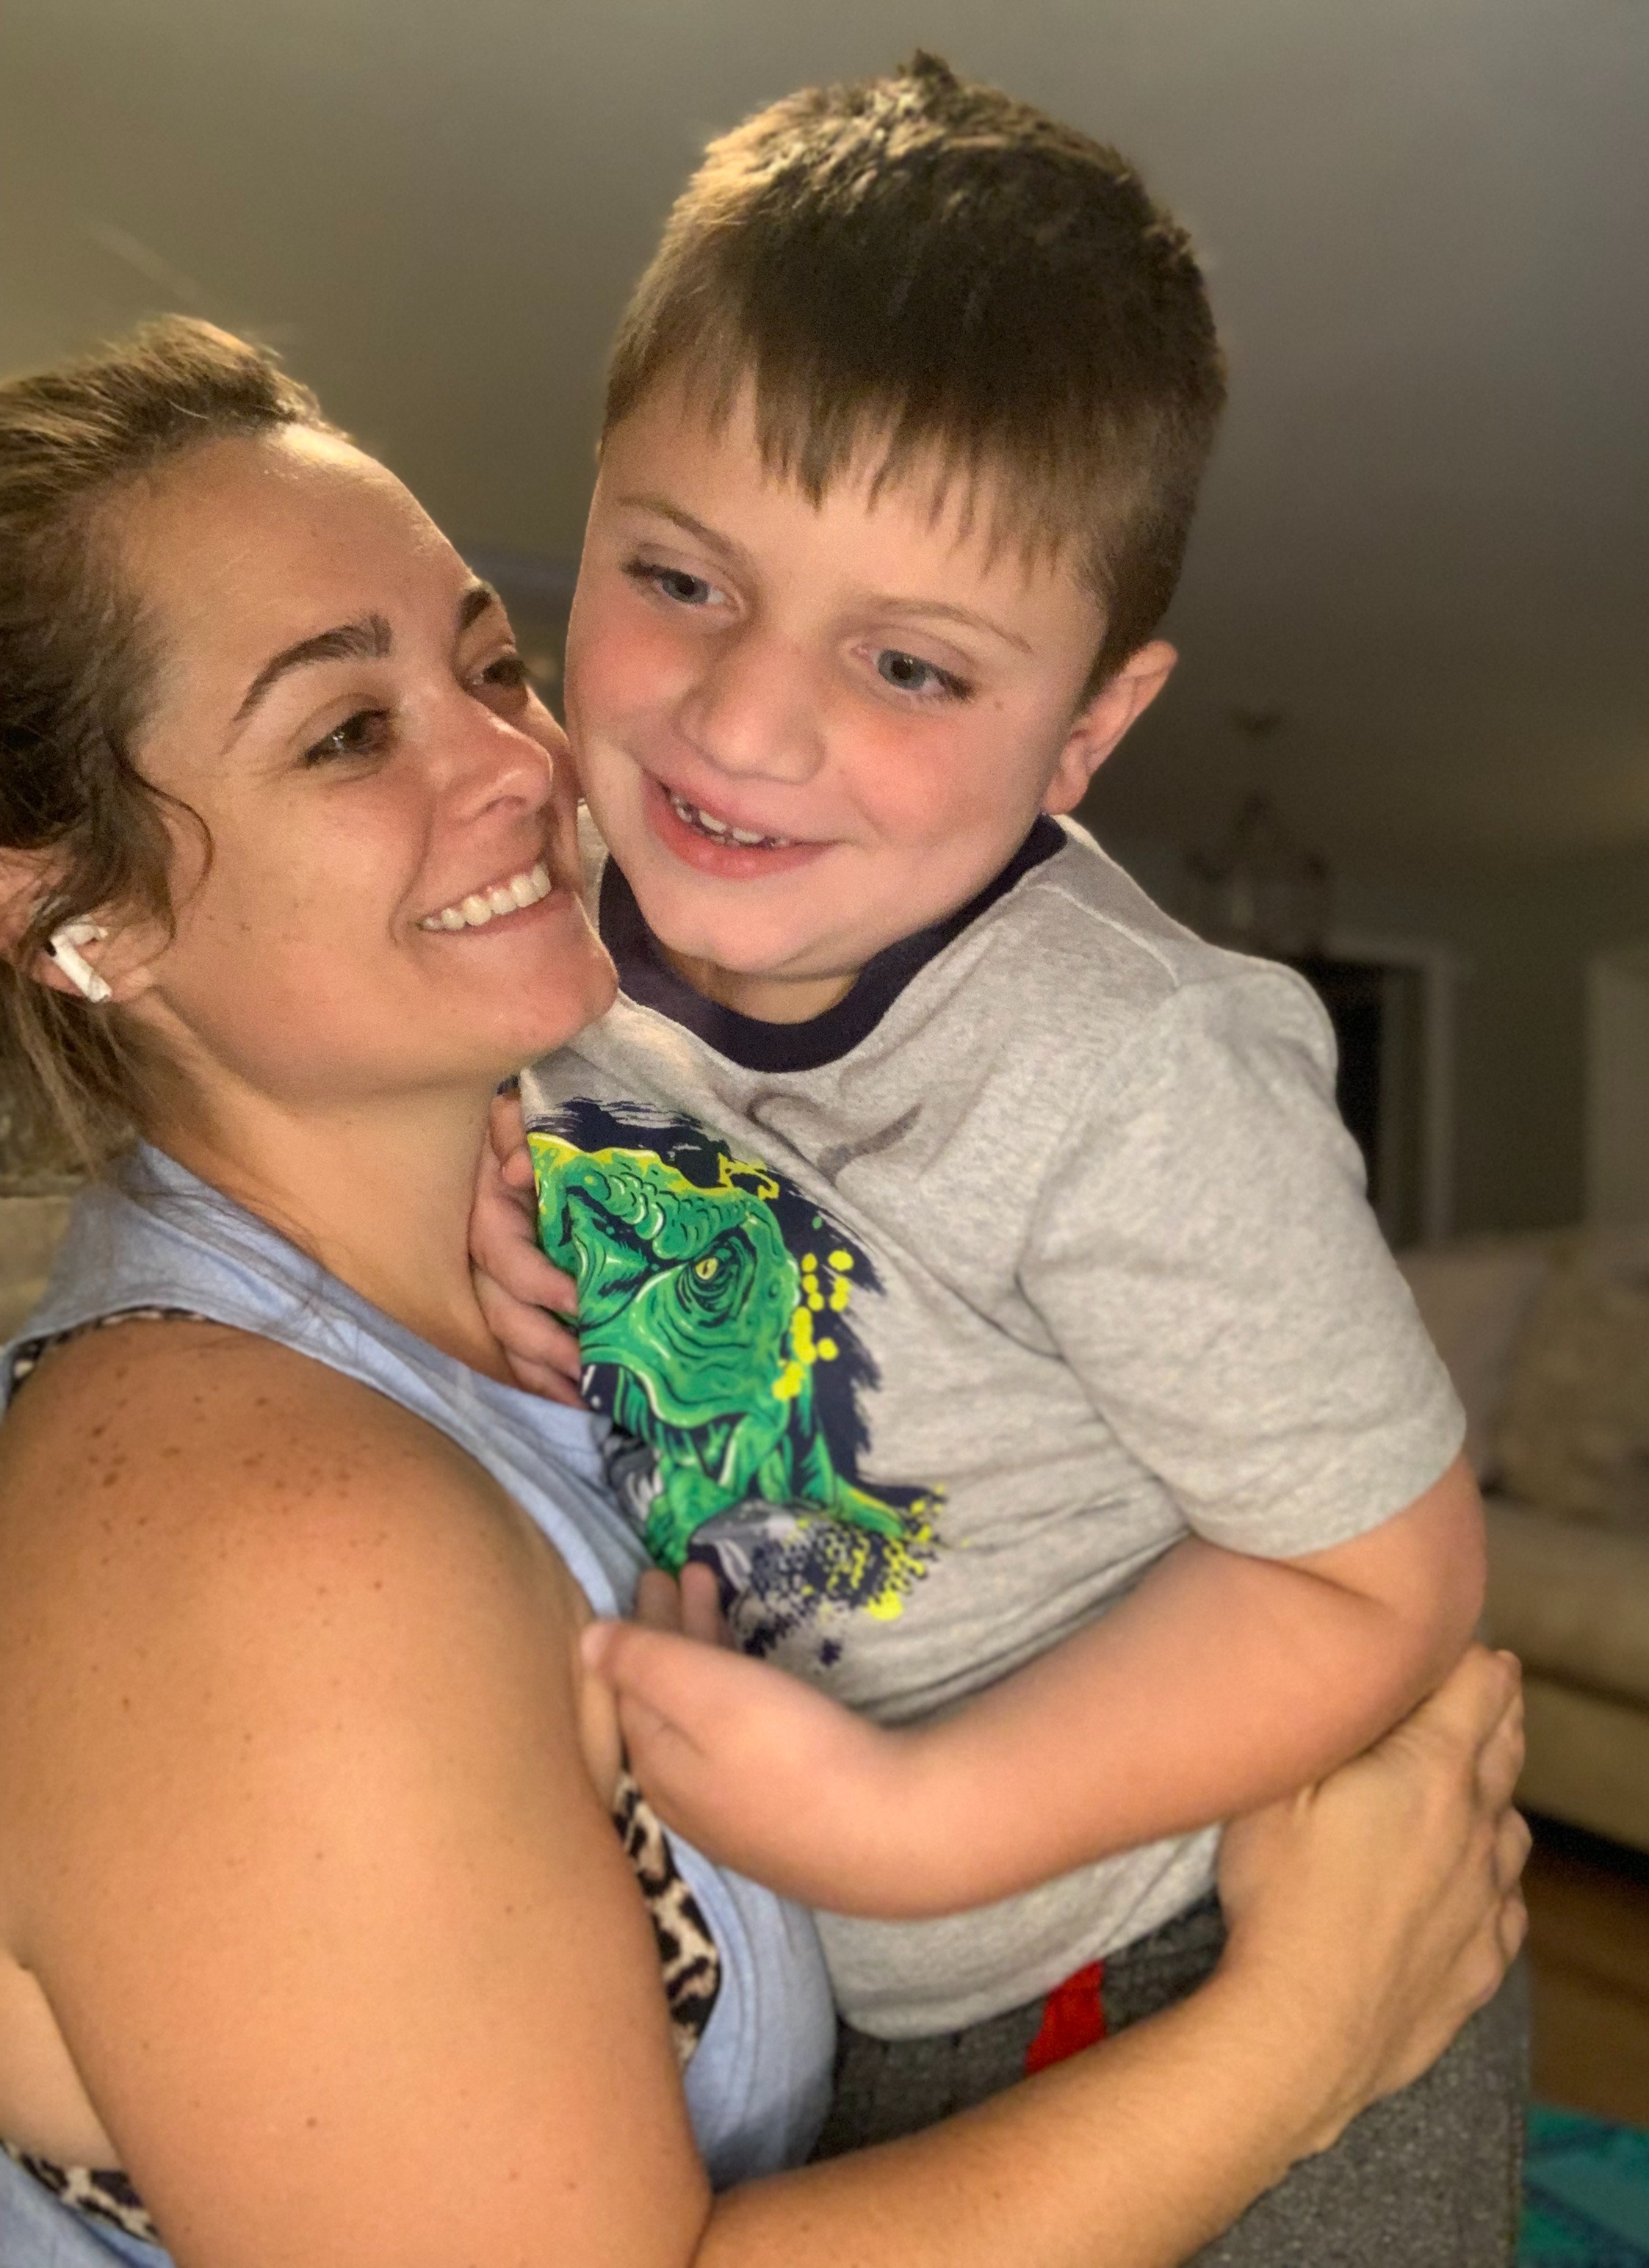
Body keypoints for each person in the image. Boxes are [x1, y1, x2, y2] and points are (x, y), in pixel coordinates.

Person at [0, 317, 1529, 2268]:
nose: (523, 764)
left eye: (491, 664)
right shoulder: (259, 1542)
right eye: (346, 733)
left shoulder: (595, 1196)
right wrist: (1309, 2030)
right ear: (83, 916)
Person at [469, 55, 1523, 2259]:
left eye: (912, 666)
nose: (743, 723)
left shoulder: (1125, 1072)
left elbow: (1382, 1580)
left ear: (1090, 732)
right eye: (678, 577)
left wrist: (919, 1820)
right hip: (842, 1970)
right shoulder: (540, 906)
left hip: (1197, 1931)